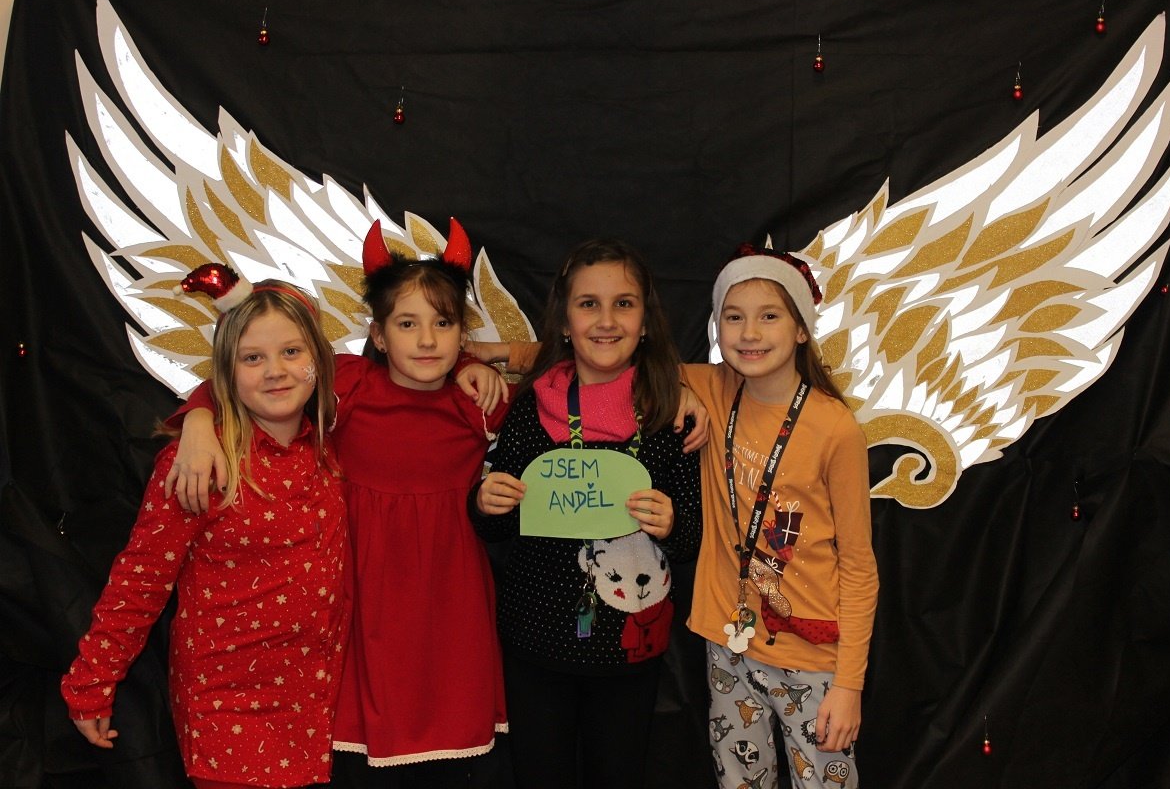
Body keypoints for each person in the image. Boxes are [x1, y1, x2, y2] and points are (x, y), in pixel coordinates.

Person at [165, 250, 512, 788]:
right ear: (378, 335)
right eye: (407, 324)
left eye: (443, 324)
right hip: (359, 600)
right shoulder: (347, 385)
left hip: (448, 602)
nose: (426, 340)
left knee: (449, 743)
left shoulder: (480, 402)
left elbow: (570, 363)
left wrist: (479, 358)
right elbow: (257, 367)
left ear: (461, 332)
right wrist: (197, 417)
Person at [61, 274, 348, 789]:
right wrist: (92, 681)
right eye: (252, 358)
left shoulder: (331, 446)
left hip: (324, 699)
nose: (276, 370)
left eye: (291, 351)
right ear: (226, 372)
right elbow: (141, 578)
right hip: (230, 706)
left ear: (318, 360)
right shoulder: (199, 463)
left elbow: (417, 368)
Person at [469, 238, 702, 789]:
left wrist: (672, 524)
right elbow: (495, 526)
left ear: (645, 322)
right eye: (588, 304)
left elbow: (690, 536)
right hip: (535, 642)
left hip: (629, 647)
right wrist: (485, 501)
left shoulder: (670, 412)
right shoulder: (531, 407)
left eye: (624, 303)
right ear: (565, 321)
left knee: (618, 772)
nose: (606, 320)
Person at [682, 244, 878, 789]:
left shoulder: (834, 428)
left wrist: (850, 683)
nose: (749, 333)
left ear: (801, 330)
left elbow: (859, 565)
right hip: (726, 638)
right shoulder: (713, 388)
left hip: (812, 655)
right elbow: (609, 360)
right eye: (734, 317)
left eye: (769, 316)